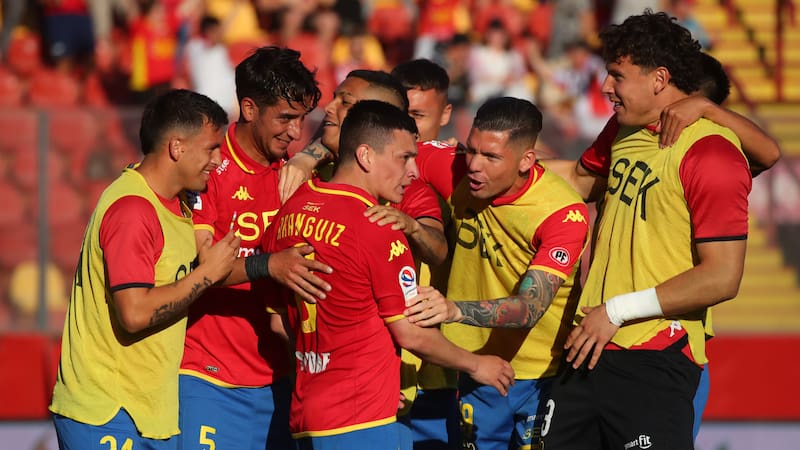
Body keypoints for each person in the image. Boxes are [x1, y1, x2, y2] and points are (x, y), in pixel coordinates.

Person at [538, 12, 752, 449]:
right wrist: (497, 165)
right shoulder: (624, 128)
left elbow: (722, 276)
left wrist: (616, 311)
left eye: (617, 75)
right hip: (588, 345)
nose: (605, 86)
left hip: (653, 356)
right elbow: (579, 180)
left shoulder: (712, 153)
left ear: (659, 79)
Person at [262, 99, 514, 450]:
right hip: (361, 421)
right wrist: (477, 365)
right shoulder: (378, 226)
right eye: (404, 158)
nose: (413, 172)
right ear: (366, 156)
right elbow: (412, 334)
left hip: (307, 414)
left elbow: (279, 323)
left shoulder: (291, 210)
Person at [49, 89, 240, 449]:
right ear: (177, 147)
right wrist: (205, 275)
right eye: (211, 148)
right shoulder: (133, 210)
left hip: (147, 413)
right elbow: (134, 313)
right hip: (108, 412)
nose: (218, 160)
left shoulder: (177, 205)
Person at [405, 96, 590, 450]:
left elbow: (530, 308)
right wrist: (310, 156)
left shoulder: (562, 213)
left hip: (544, 374)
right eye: (472, 150)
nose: (474, 165)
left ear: (526, 161)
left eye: (491, 157)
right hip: (478, 367)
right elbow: (371, 143)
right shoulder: (453, 167)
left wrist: (454, 310)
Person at [178, 46, 332, 450]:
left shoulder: (297, 174)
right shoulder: (209, 167)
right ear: (249, 108)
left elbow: (360, 128)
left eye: (302, 119)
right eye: (285, 118)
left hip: (284, 380)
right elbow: (205, 265)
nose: (295, 132)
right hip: (209, 377)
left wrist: (312, 156)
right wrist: (270, 265)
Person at [391, 58, 459, 450]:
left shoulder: (456, 167)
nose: (410, 128)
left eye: (418, 116)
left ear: (445, 114)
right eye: (402, 114)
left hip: (442, 358)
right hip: (392, 356)